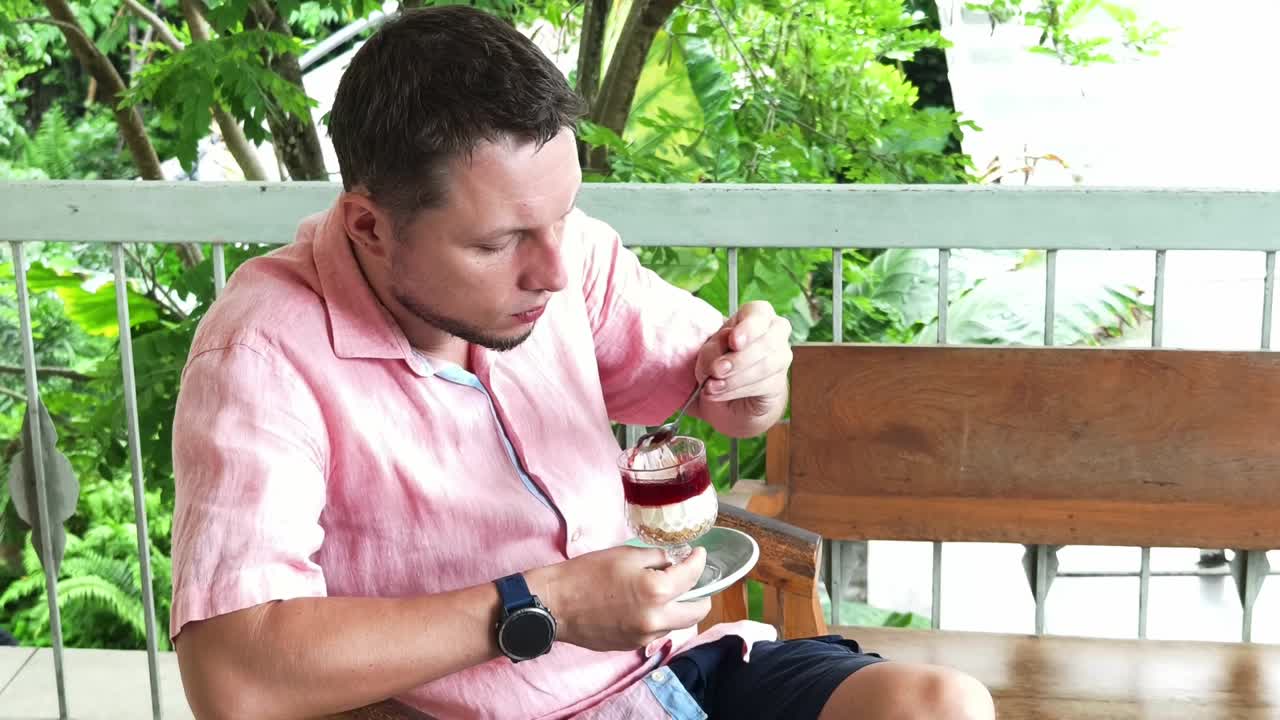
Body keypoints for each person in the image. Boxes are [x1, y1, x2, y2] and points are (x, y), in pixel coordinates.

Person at [167, 6, 995, 719]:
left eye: (562, 214)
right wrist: (544, 606)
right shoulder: (262, 354)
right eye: (498, 244)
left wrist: (755, 374)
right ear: (369, 227)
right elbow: (233, 674)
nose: (553, 272)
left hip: (669, 670)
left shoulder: (570, 260)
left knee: (942, 705)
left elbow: (733, 405)